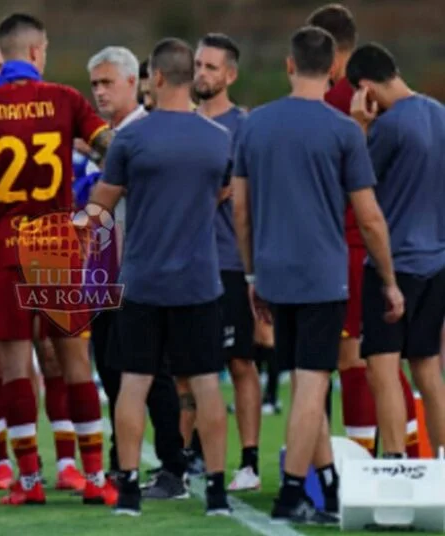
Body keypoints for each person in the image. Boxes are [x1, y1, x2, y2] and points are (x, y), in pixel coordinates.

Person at [232, 26, 402, 524]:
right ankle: (291, 493)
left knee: (304, 382)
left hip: (273, 271)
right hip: (322, 272)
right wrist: (389, 279)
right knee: (313, 383)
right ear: (333, 71)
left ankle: (326, 485)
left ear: (289, 65)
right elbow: (369, 217)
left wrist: (250, 274)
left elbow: (241, 209)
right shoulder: (344, 130)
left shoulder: (254, 125)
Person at [0, 13, 116, 506]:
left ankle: (28, 482)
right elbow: (112, 148)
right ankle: (93, 477)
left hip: (5, 245)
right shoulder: (66, 100)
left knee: (13, 367)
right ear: (35, 52)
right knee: (74, 364)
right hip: (58, 242)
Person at [91, 38, 230, 517]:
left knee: (133, 383)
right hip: (198, 280)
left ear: (156, 78)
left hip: (144, 280)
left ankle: (127, 491)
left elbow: (101, 206)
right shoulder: (218, 139)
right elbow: (225, 190)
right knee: (206, 384)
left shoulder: (131, 139)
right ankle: (215, 490)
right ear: (189, 77)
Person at [308, 2, 419, 457]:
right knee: (386, 360)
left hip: (351, 243)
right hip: (385, 242)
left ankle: (365, 461)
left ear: (330, 52)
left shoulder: (340, 102)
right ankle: (413, 455)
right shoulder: (403, 105)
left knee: (356, 358)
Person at [86, 45, 187, 500]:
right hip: (105, 271)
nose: (100, 92)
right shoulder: (103, 138)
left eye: (108, 82)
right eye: (94, 84)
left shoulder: (143, 135)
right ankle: (120, 461)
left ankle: (172, 466)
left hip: (143, 270)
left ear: (135, 82)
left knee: (151, 372)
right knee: (111, 369)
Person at [346, 43, 445, 459]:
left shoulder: (387, 128)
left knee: (382, 367)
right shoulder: (440, 114)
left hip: (394, 262)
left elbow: (358, 186)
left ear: (365, 87)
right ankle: (441, 458)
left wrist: (359, 128)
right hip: (437, 260)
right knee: (427, 368)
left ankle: (393, 462)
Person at [194, 33, 263, 493]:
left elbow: (254, 191)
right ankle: (187, 460)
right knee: (189, 368)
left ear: (230, 75)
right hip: (187, 264)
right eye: (198, 64)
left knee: (239, 362)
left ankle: (250, 463)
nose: (202, 73)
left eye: (212, 67)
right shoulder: (181, 123)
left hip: (231, 262)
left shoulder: (247, 126)